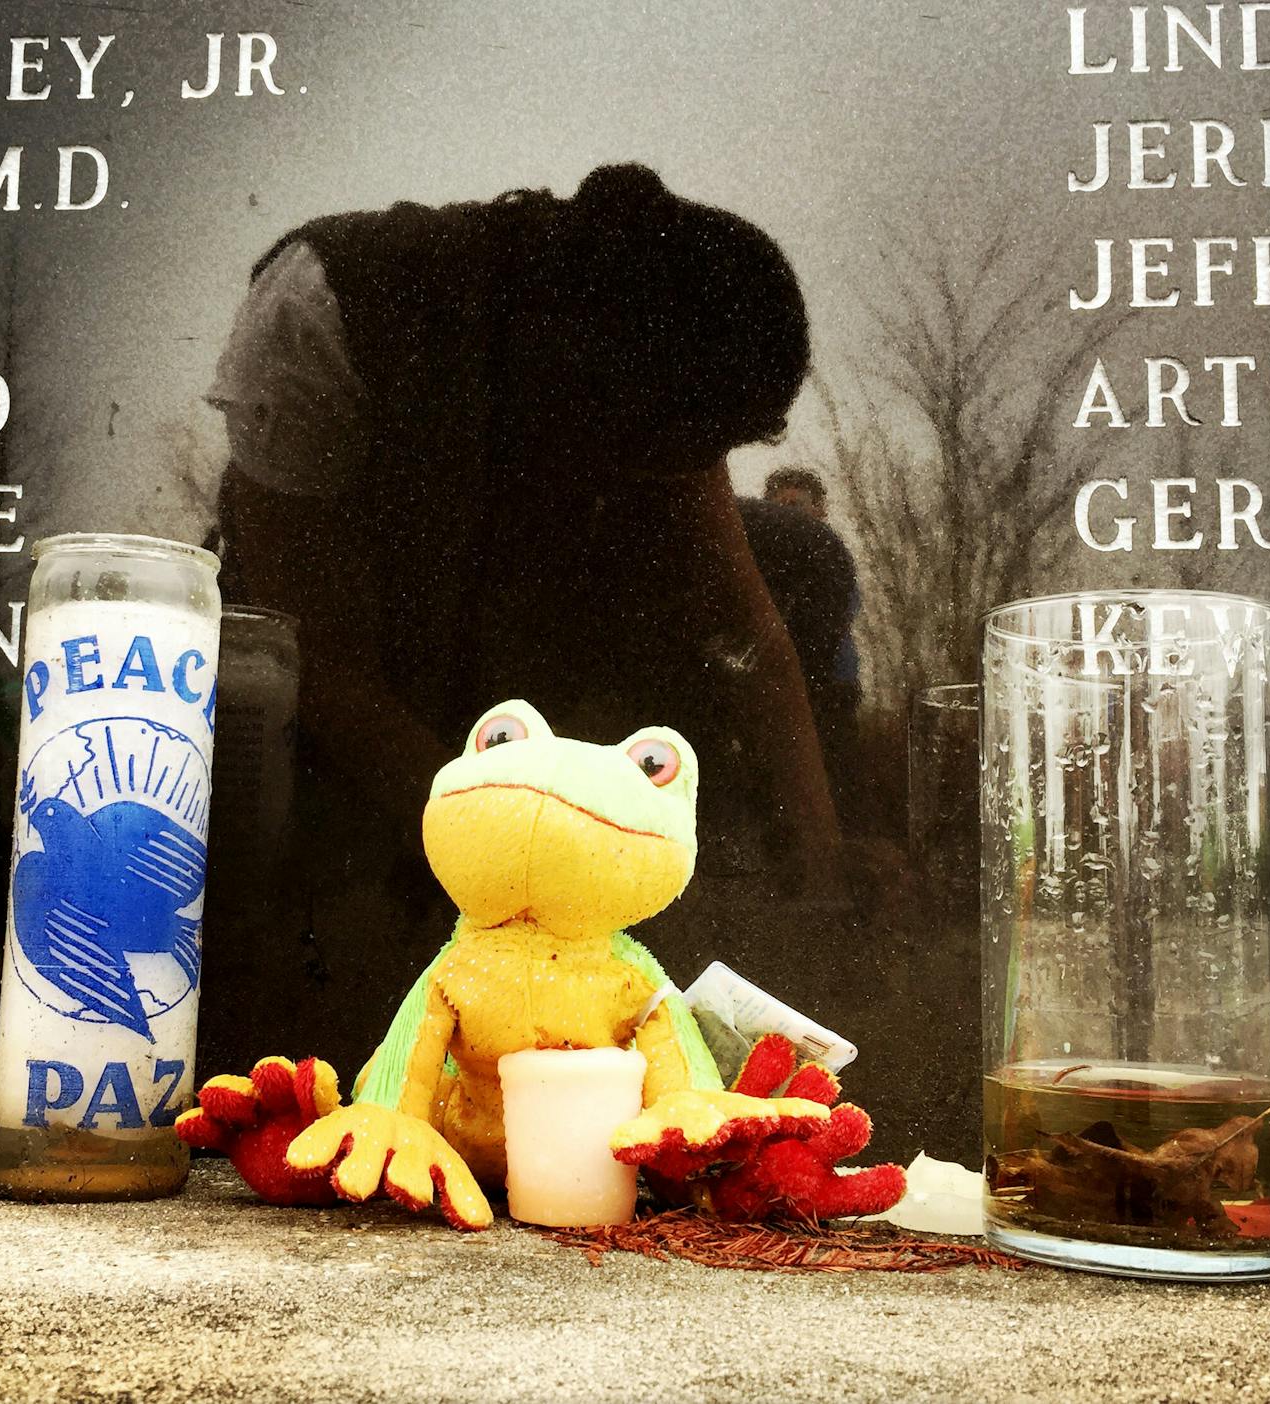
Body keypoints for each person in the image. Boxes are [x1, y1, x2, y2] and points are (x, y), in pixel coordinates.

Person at [207, 164, 842, 1072]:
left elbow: (751, 638)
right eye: (679, 451)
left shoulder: (662, 359)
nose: (692, 473)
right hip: (364, 746)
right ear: (598, 394)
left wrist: (825, 871)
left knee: (801, 553)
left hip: (541, 707)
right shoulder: (329, 307)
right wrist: (523, 845)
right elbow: (322, 664)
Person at [737, 467, 863, 822]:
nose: (789, 515)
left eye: (799, 505)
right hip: (771, 688)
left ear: (820, 509)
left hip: (830, 688)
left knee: (835, 777)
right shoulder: (755, 560)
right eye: (779, 506)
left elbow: (841, 609)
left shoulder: (830, 556)